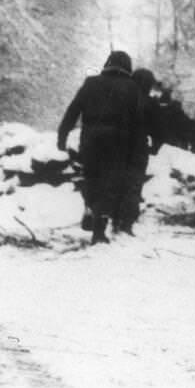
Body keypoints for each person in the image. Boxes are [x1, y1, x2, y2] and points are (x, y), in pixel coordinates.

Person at [57, 51, 143, 244]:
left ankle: (90, 208)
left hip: (91, 139)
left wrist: (62, 135)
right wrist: (138, 149)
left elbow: (73, 110)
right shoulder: (132, 87)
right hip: (119, 142)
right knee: (110, 183)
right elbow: (139, 122)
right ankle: (99, 228)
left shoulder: (91, 83)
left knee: (92, 178)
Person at [113, 67, 164, 235]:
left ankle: (114, 217)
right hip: (139, 150)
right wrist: (155, 147)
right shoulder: (150, 104)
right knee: (134, 185)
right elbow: (158, 129)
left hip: (119, 147)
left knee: (118, 182)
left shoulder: (119, 99)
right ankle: (127, 223)